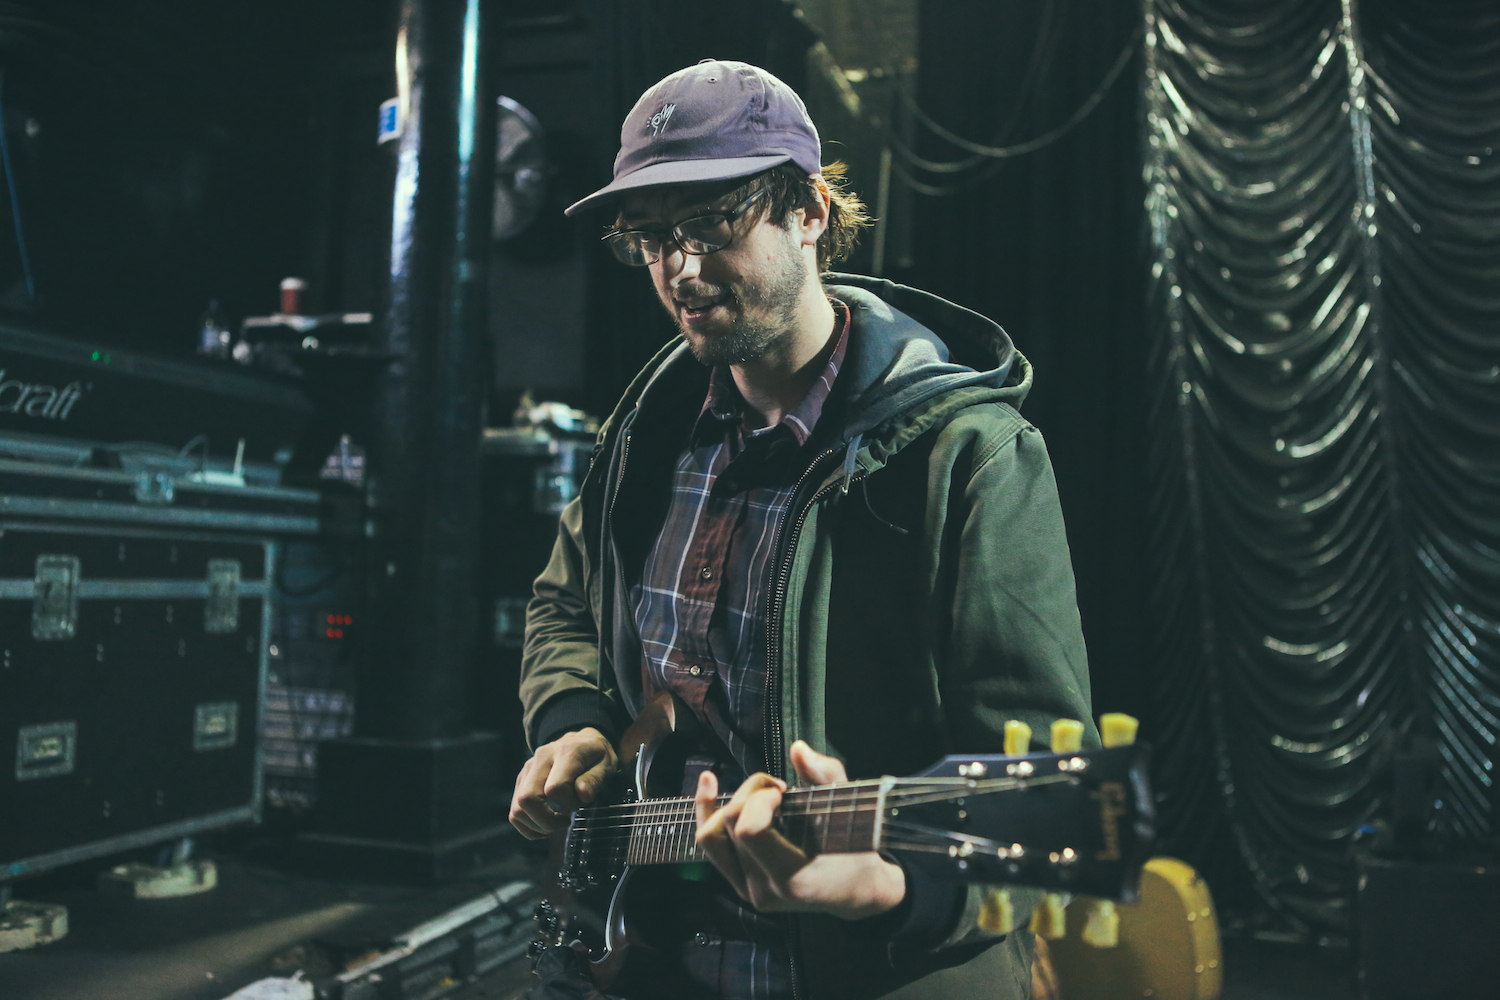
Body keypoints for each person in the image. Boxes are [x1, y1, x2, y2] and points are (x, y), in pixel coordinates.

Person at [509, 58, 1095, 1000]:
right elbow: (563, 601)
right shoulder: (650, 434)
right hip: (648, 959)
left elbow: (1050, 803)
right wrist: (572, 720)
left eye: (711, 223)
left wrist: (893, 886)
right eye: (652, 237)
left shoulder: (969, 457)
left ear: (811, 212)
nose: (680, 269)